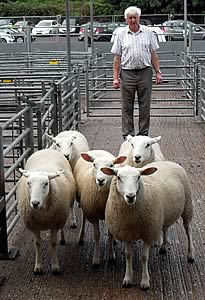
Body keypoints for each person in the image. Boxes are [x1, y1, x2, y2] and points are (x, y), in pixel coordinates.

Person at [111, 6, 162, 139]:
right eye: (130, 18)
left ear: (139, 18)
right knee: (127, 106)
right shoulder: (121, 34)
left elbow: (153, 54)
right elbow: (117, 57)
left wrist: (158, 72)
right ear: (126, 19)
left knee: (145, 105)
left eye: (135, 17)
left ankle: (143, 134)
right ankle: (128, 135)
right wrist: (115, 77)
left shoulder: (148, 32)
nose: (133, 20)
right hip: (127, 73)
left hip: (145, 72)